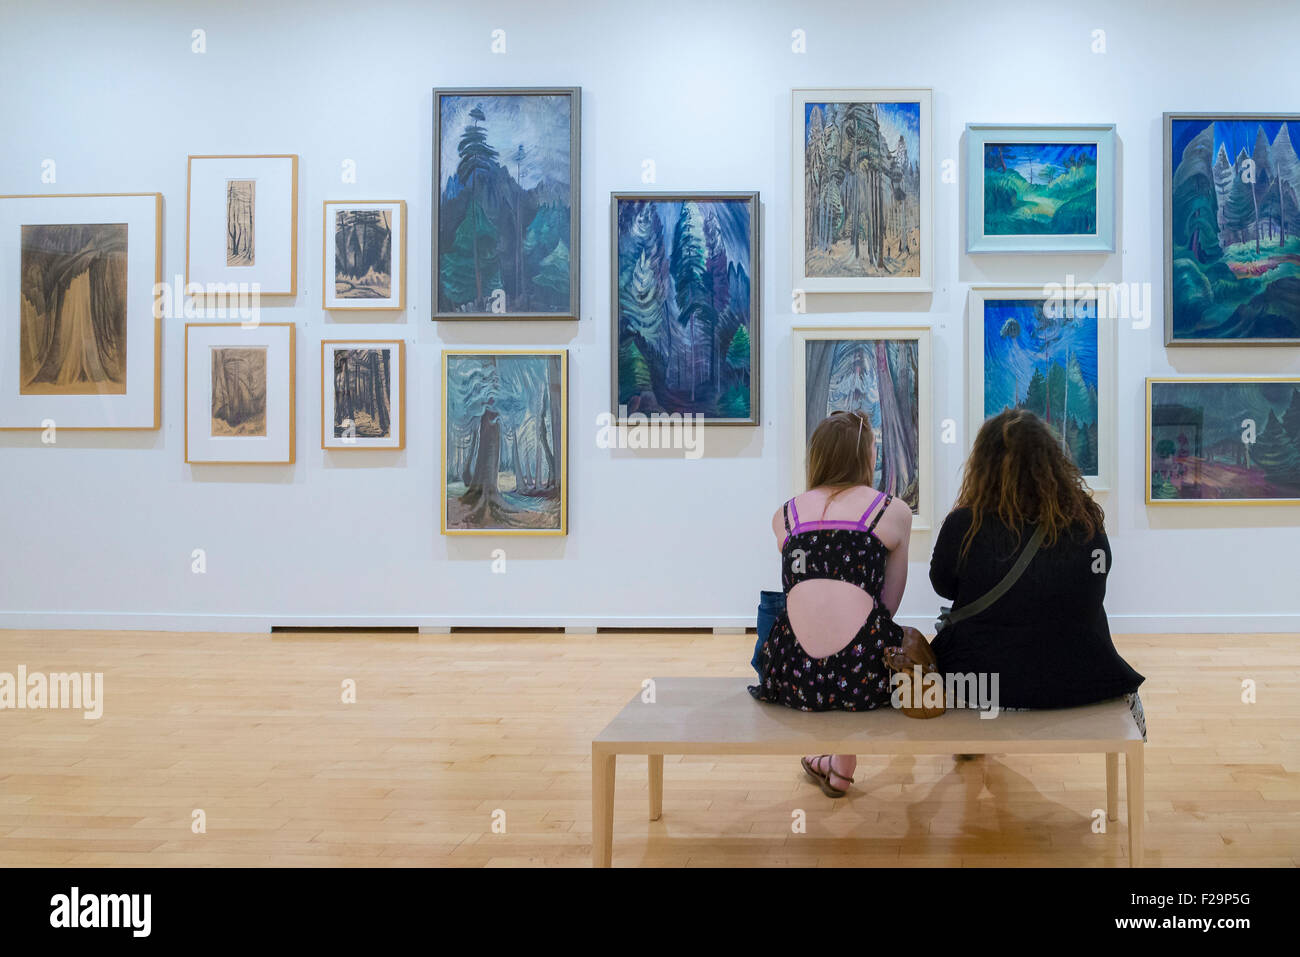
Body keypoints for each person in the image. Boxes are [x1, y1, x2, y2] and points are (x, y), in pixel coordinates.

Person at [930, 410, 1145, 733]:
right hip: (1081, 677)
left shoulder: (965, 524)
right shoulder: (1084, 521)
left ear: (983, 466)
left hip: (978, 679)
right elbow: (1094, 588)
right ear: (1051, 462)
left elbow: (943, 585)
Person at [748, 410, 913, 797]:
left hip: (792, 675)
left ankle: (836, 763)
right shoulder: (892, 512)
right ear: (866, 457)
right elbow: (887, 606)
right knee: (871, 636)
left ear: (817, 456)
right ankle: (839, 763)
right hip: (865, 678)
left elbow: (801, 598)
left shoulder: (785, 515)